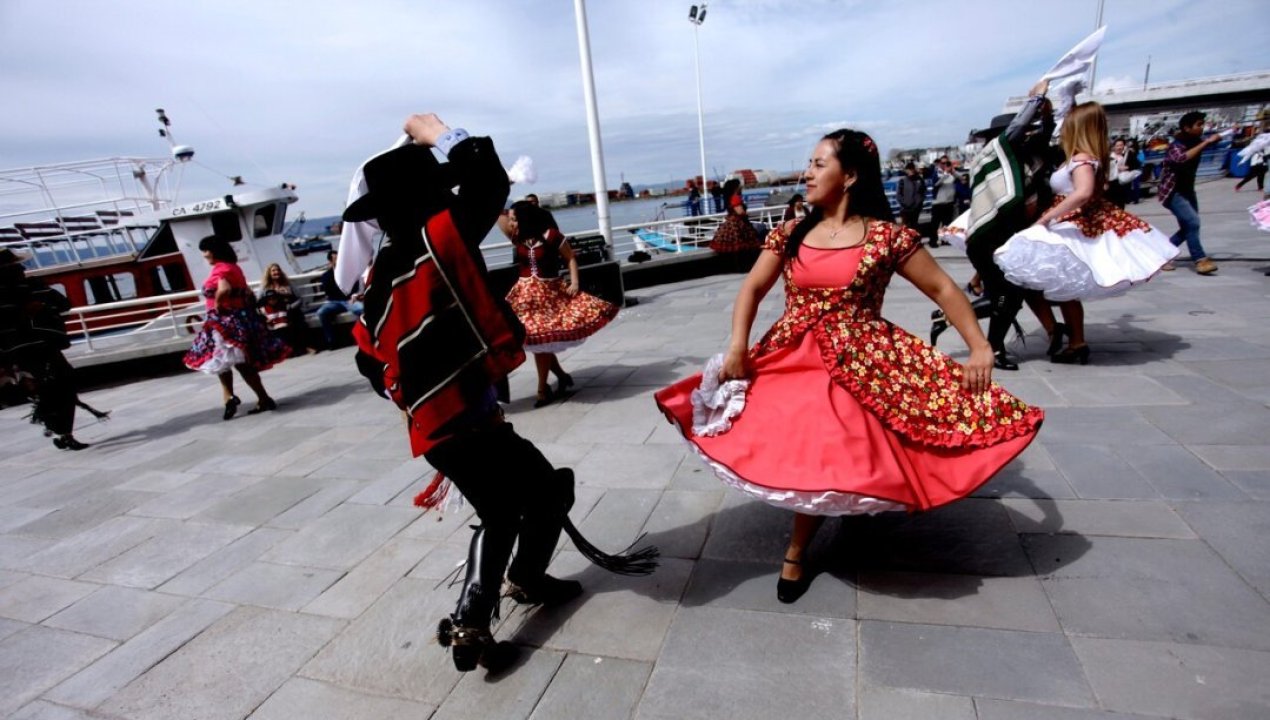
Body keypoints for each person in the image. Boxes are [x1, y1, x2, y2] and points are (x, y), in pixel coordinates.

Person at [654, 129, 1044, 603]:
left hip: (864, 359)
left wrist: (979, 347)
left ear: (851, 175)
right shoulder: (790, 231)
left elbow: (942, 288)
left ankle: (799, 550)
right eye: (811, 163)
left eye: (820, 164)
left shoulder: (887, 237)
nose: (808, 173)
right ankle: (813, 538)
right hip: (792, 354)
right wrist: (738, 345)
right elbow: (752, 289)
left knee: (848, 446)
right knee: (804, 446)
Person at [341, 113, 656, 673]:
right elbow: (489, 182)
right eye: (439, 188)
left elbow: (370, 361)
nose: (449, 194)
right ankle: (473, 619)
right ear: (427, 195)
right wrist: (438, 132)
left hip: (440, 426)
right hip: (463, 421)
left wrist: (425, 382)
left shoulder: (381, 276)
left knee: (538, 491)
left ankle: (520, 583)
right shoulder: (439, 237)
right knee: (513, 506)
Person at [993, 102, 1179, 365]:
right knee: (1063, 287)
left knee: (1049, 281)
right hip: (1070, 222)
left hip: (1071, 223)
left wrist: (1046, 218)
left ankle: (1073, 340)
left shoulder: (1081, 159)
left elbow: (1083, 192)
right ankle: (1075, 341)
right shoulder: (1087, 156)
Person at [963, 80, 1058, 370]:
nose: (1027, 136)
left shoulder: (1020, 160)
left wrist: (1048, 115)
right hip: (987, 239)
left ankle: (993, 346)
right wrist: (1036, 99)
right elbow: (1016, 131)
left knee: (1010, 296)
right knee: (1007, 295)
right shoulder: (993, 152)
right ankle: (986, 342)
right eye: (1022, 132)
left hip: (1008, 237)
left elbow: (1044, 136)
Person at [503, 200, 618, 407]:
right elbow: (496, 218)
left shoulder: (551, 236)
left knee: (541, 339)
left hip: (548, 296)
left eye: (514, 219)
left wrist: (574, 282)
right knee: (538, 340)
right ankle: (560, 377)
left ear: (524, 219)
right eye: (511, 219)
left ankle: (542, 389)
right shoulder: (517, 236)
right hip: (524, 297)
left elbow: (570, 258)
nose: (511, 222)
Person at [0, 248, 103, 450]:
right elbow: (63, 305)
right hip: (39, 347)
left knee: (53, 387)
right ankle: (61, 430)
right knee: (61, 384)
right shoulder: (32, 287)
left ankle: (59, 429)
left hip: (19, 351)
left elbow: (62, 305)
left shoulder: (27, 289)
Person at [183, 236, 286, 418]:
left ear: (214, 251)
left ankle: (244, 397)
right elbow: (245, 291)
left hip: (224, 321)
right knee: (233, 362)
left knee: (230, 362)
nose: (205, 255)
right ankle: (237, 397)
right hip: (240, 318)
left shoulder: (221, 269)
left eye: (206, 250)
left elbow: (224, 289)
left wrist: (217, 304)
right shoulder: (234, 268)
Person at [1159, 111, 1223, 275]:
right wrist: (1206, 143)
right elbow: (1180, 159)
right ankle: (1200, 260)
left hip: (1187, 191)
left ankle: (1161, 256)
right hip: (1173, 192)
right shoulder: (1177, 145)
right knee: (1192, 223)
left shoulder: (1196, 141)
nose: (1202, 128)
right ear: (1187, 128)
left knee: (1189, 227)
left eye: (1203, 124)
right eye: (1199, 125)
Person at [258, 263, 313, 356]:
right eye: (273, 271)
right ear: (269, 273)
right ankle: (284, 350)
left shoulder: (288, 283)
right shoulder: (265, 287)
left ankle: (307, 346)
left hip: (290, 310)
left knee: (299, 323)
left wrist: (291, 307)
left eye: (278, 270)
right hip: (275, 314)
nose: (276, 272)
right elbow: (259, 302)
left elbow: (299, 298)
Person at [315, 250, 364, 348]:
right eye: (335, 259)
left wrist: (353, 296)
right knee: (321, 312)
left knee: (361, 309)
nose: (339, 260)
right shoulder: (326, 276)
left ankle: (363, 337)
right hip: (335, 302)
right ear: (331, 261)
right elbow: (329, 292)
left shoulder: (350, 272)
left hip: (349, 300)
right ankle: (331, 341)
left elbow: (355, 287)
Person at [708, 179, 761, 253]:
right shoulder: (735, 197)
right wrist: (746, 213)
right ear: (736, 188)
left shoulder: (728, 197)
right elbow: (739, 212)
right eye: (739, 186)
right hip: (738, 223)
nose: (741, 187)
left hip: (731, 221)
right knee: (743, 244)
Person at [1106, 137, 1142, 208]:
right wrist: (1117, 168)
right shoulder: (1110, 156)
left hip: (1122, 184)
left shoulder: (1127, 155)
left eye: (1121, 145)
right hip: (1111, 184)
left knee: (1120, 205)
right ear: (1113, 147)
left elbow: (1137, 164)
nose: (1119, 147)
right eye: (1117, 145)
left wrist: (1127, 167)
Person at [929, 157, 957, 246]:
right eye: (943, 163)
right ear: (940, 164)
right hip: (938, 202)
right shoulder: (936, 173)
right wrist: (945, 174)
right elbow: (936, 184)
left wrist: (953, 171)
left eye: (947, 163)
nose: (945, 165)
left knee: (947, 223)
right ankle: (933, 241)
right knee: (935, 223)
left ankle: (946, 240)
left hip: (949, 201)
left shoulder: (952, 173)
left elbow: (961, 179)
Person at [896, 162, 925, 231]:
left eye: (912, 169)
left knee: (914, 227)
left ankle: (914, 241)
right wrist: (905, 204)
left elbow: (923, 192)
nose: (911, 171)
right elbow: (898, 195)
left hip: (916, 209)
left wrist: (919, 203)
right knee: (905, 228)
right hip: (905, 209)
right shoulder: (902, 181)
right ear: (906, 170)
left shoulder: (920, 180)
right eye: (909, 169)